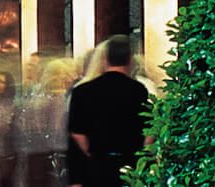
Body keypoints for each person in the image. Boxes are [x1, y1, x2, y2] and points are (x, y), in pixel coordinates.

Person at [64, 38, 151, 187]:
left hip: (97, 166)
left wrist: (92, 153)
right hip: (130, 164)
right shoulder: (138, 90)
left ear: (105, 59)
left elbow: (77, 132)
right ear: (130, 59)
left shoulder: (82, 91)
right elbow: (148, 129)